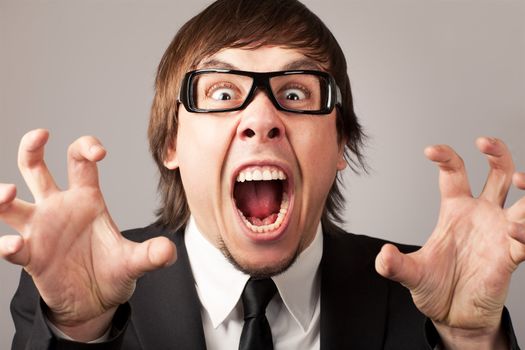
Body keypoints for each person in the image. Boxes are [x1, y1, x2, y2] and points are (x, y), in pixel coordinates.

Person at [1, 0, 524, 349]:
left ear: (340, 141)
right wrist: (79, 330)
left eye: (295, 93)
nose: (261, 119)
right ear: (171, 143)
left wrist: (470, 340)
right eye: (223, 94)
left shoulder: (424, 297)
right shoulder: (77, 291)